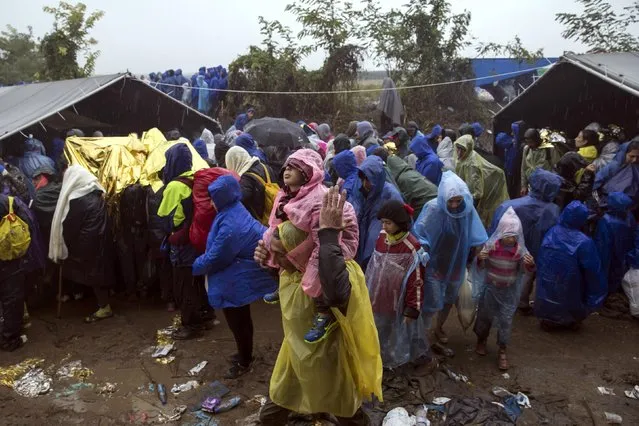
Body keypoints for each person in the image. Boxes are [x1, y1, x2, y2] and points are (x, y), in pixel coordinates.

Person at [255, 186, 382, 425]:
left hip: (330, 361)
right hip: (295, 354)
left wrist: (327, 235)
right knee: (274, 410)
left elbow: (334, 292)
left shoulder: (333, 276)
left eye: (281, 254)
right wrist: (267, 264)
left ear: (301, 252)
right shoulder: (291, 272)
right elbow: (290, 294)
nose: (278, 260)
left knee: (345, 409)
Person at [261, 150, 360, 343]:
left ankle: (323, 313)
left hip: (332, 243)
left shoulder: (318, 200)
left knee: (324, 275)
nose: (287, 171)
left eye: (294, 168)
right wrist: (269, 249)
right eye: (286, 167)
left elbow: (324, 242)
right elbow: (274, 225)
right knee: (274, 238)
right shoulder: (287, 195)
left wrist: (311, 278)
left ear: (308, 173)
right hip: (307, 243)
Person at [192, 176, 276, 378]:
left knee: (238, 322)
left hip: (235, 280)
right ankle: (243, 353)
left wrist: (196, 265)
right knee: (242, 319)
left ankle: (245, 360)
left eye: (213, 198)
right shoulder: (234, 208)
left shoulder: (230, 223)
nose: (211, 202)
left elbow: (218, 256)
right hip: (237, 276)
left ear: (222, 197)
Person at [413, 171, 488, 349]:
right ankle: (421, 335)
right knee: (432, 299)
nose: (454, 205)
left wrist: (479, 254)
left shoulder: (467, 210)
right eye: (450, 201)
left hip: (457, 262)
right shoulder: (433, 209)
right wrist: (423, 253)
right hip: (435, 263)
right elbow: (420, 233)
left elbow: (477, 235)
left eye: (458, 201)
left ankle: (438, 328)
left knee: (449, 298)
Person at [365, 200, 431, 368]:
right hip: (377, 295)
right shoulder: (382, 237)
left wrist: (412, 308)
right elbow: (374, 265)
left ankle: (389, 360)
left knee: (391, 330)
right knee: (375, 329)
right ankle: (376, 358)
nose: (384, 226)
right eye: (383, 222)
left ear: (400, 223)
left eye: (388, 223)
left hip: (395, 301)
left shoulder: (411, 247)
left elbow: (416, 281)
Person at [158, 144, 212, 339]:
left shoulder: (174, 186)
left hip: (182, 242)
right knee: (197, 279)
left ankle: (191, 325)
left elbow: (167, 218)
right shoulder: (195, 178)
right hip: (198, 238)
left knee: (184, 283)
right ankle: (207, 315)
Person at [490, 168, 562, 314]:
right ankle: (521, 303)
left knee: (502, 274)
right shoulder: (554, 210)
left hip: (506, 250)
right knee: (526, 277)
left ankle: (500, 300)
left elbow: (495, 230)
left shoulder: (509, 205)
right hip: (534, 253)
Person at [49, 165, 113, 323]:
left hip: (87, 244)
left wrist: (63, 243)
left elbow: (70, 226)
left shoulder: (78, 199)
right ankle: (96, 300)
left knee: (92, 272)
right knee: (98, 272)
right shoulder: (94, 191)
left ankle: (104, 307)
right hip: (101, 239)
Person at [474, 207, 535, 370]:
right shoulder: (491, 247)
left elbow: (523, 270)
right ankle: (481, 339)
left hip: (508, 292)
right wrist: (480, 259)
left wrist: (529, 264)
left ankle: (502, 349)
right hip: (491, 289)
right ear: (500, 233)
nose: (510, 239)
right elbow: (481, 266)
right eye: (507, 236)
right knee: (485, 317)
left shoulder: (520, 251)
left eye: (514, 236)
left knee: (506, 321)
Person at [535, 201, 607, 330]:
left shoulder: (551, 232)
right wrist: (594, 300)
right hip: (570, 287)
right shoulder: (584, 242)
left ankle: (549, 318)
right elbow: (594, 272)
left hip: (548, 285)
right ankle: (570, 320)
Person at [356, 155, 404, 268]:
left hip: (386, 248)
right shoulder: (366, 192)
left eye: (368, 179)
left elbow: (404, 222)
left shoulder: (391, 194)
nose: (364, 183)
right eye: (363, 179)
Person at [454, 134, 509, 228]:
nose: (458, 152)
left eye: (461, 149)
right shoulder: (467, 157)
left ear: (467, 149)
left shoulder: (472, 165)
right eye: (457, 148)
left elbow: (477, 193)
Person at [594, 192, 638, 294]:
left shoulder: (606, 222)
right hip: (625, 258)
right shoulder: (629, 217)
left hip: (611, 258)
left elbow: (602, 249)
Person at [225, 146, 274, 223]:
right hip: (273, 214)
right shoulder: (265, 167)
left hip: (259, 221)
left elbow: (239, 200)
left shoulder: (246, 179)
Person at [386, 154, 438, 220]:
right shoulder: (410, 172)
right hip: (434, 197)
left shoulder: (402, 179)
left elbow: (406, 199)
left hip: (425, 203)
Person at [594, 139, 639, 211]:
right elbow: (596, 182)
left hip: (630, 209)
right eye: (631, 156)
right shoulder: (614, 166)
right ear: (624, 153)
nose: (635, 160)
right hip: (607, 205)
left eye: (638, 157)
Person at [520, 128, 561, 196]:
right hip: (531, 186)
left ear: (537, 140)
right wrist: (524, 185)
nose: (529, 144)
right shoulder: (526, 149)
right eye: (527, 142)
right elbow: (523, 168)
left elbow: (557, 168)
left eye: (531, 142)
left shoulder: (549, 149)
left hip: (546, 187)